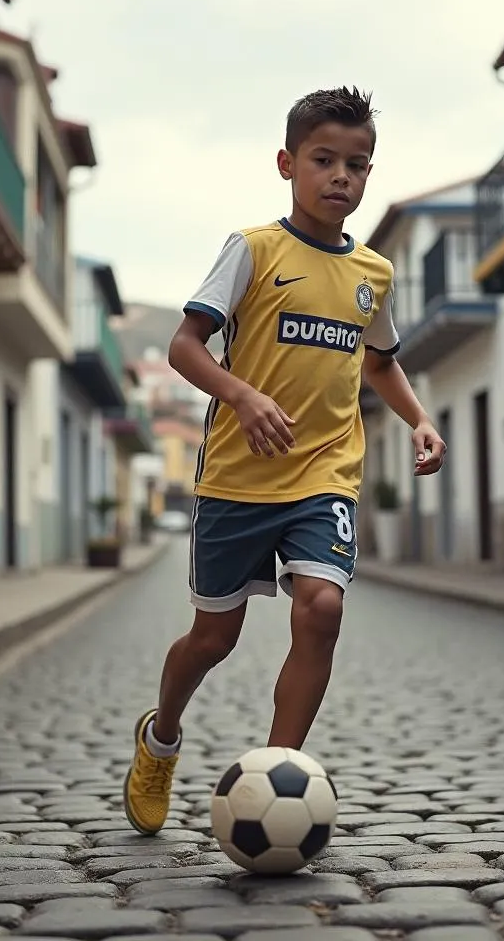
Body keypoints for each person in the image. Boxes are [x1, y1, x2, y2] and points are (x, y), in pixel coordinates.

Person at [123, 85, 447, 835]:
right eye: (324, 160)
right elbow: (183, 345)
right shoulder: (253, 249)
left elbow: (380, 363)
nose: (342, 177)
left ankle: (276, 779)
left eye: (358, 165)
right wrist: (243, 397)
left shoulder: (373, 274)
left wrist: (420, 419)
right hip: (236, 478)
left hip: (324, 475)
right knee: (213, 639)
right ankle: (161, 738)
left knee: (323, 607)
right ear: (287, 163)